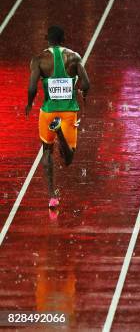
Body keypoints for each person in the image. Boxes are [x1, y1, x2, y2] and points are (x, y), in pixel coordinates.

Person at [25, 26, 90, 208]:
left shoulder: (38, 60)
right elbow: (86, 83)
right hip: (69, 111)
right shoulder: (74, 57)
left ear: (47, 39)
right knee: (68, 159)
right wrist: (83, 95)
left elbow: (32, 87)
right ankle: (60, 132)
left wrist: (29, 103)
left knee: (46, 151)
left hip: (48, 111)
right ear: (64, 39)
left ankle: (52, 195)